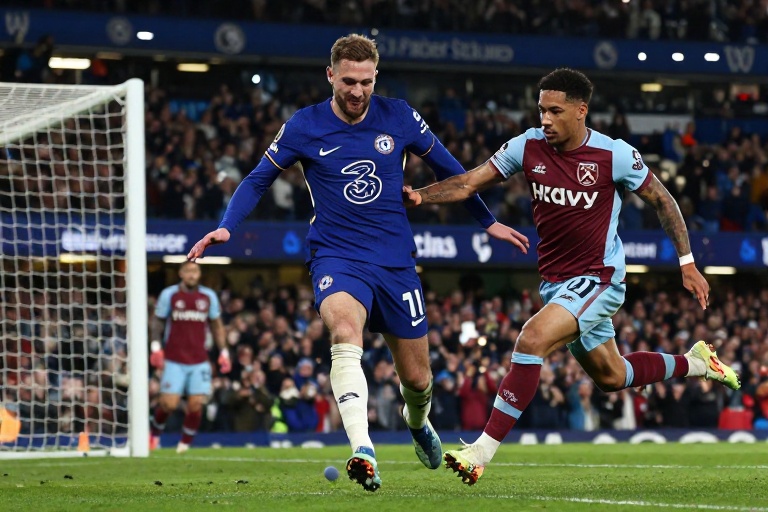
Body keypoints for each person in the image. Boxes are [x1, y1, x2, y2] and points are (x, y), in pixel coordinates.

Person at [187, 33, 528, 491]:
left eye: (365, 81)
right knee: (344, 332)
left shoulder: (400, 116)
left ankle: (416, 421)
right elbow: (258, 178)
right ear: (330, 75)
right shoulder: (304, 126)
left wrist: (486, 223)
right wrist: (228, 224)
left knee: (418, 379)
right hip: (336, 254)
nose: (356, 91)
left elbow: (451, 170)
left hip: (395, 262)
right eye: (347, 81)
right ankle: (363, 448)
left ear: (375, 77)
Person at [403, 67, 741, 485]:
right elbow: (469, 183)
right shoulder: (526, 146)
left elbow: (662, 199)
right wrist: (421, 196)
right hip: (556, 282)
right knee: (611, 376)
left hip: (599, 277)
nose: (544, 119)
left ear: (581, 111)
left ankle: (480, 452)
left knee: (531, 340)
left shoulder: (614, 154)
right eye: (541, 109)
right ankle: (694, 363)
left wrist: (687, 262)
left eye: (555, 111)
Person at [149, 261, 230, 453]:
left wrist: (224, 351)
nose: (192, 275)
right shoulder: (169, 294)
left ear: (199, 274)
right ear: (181, 273)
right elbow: (158, 322)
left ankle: (184, 444)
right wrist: (156, 347)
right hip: (174, 358)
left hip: (199, 359)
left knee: (196, 404)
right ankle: (153, 436)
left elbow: (216, 326)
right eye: (188, 271)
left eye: (195, 271)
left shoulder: (208, 296)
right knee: (168, 404)